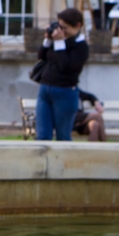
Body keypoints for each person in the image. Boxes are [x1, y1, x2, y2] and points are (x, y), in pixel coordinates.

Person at [35, 8, 89, 141]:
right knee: (42, 136)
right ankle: (41, 162)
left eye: (65, 28)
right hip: (45, 89)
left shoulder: (81, 47)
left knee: (63, 137)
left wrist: (59, 42)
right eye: (59, 26)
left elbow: (65, 67)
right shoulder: (59, 39)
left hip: (65, 93)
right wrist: (48, 40)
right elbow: (41, 56)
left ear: (77, 26)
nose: (61, 31)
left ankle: (63, 162)